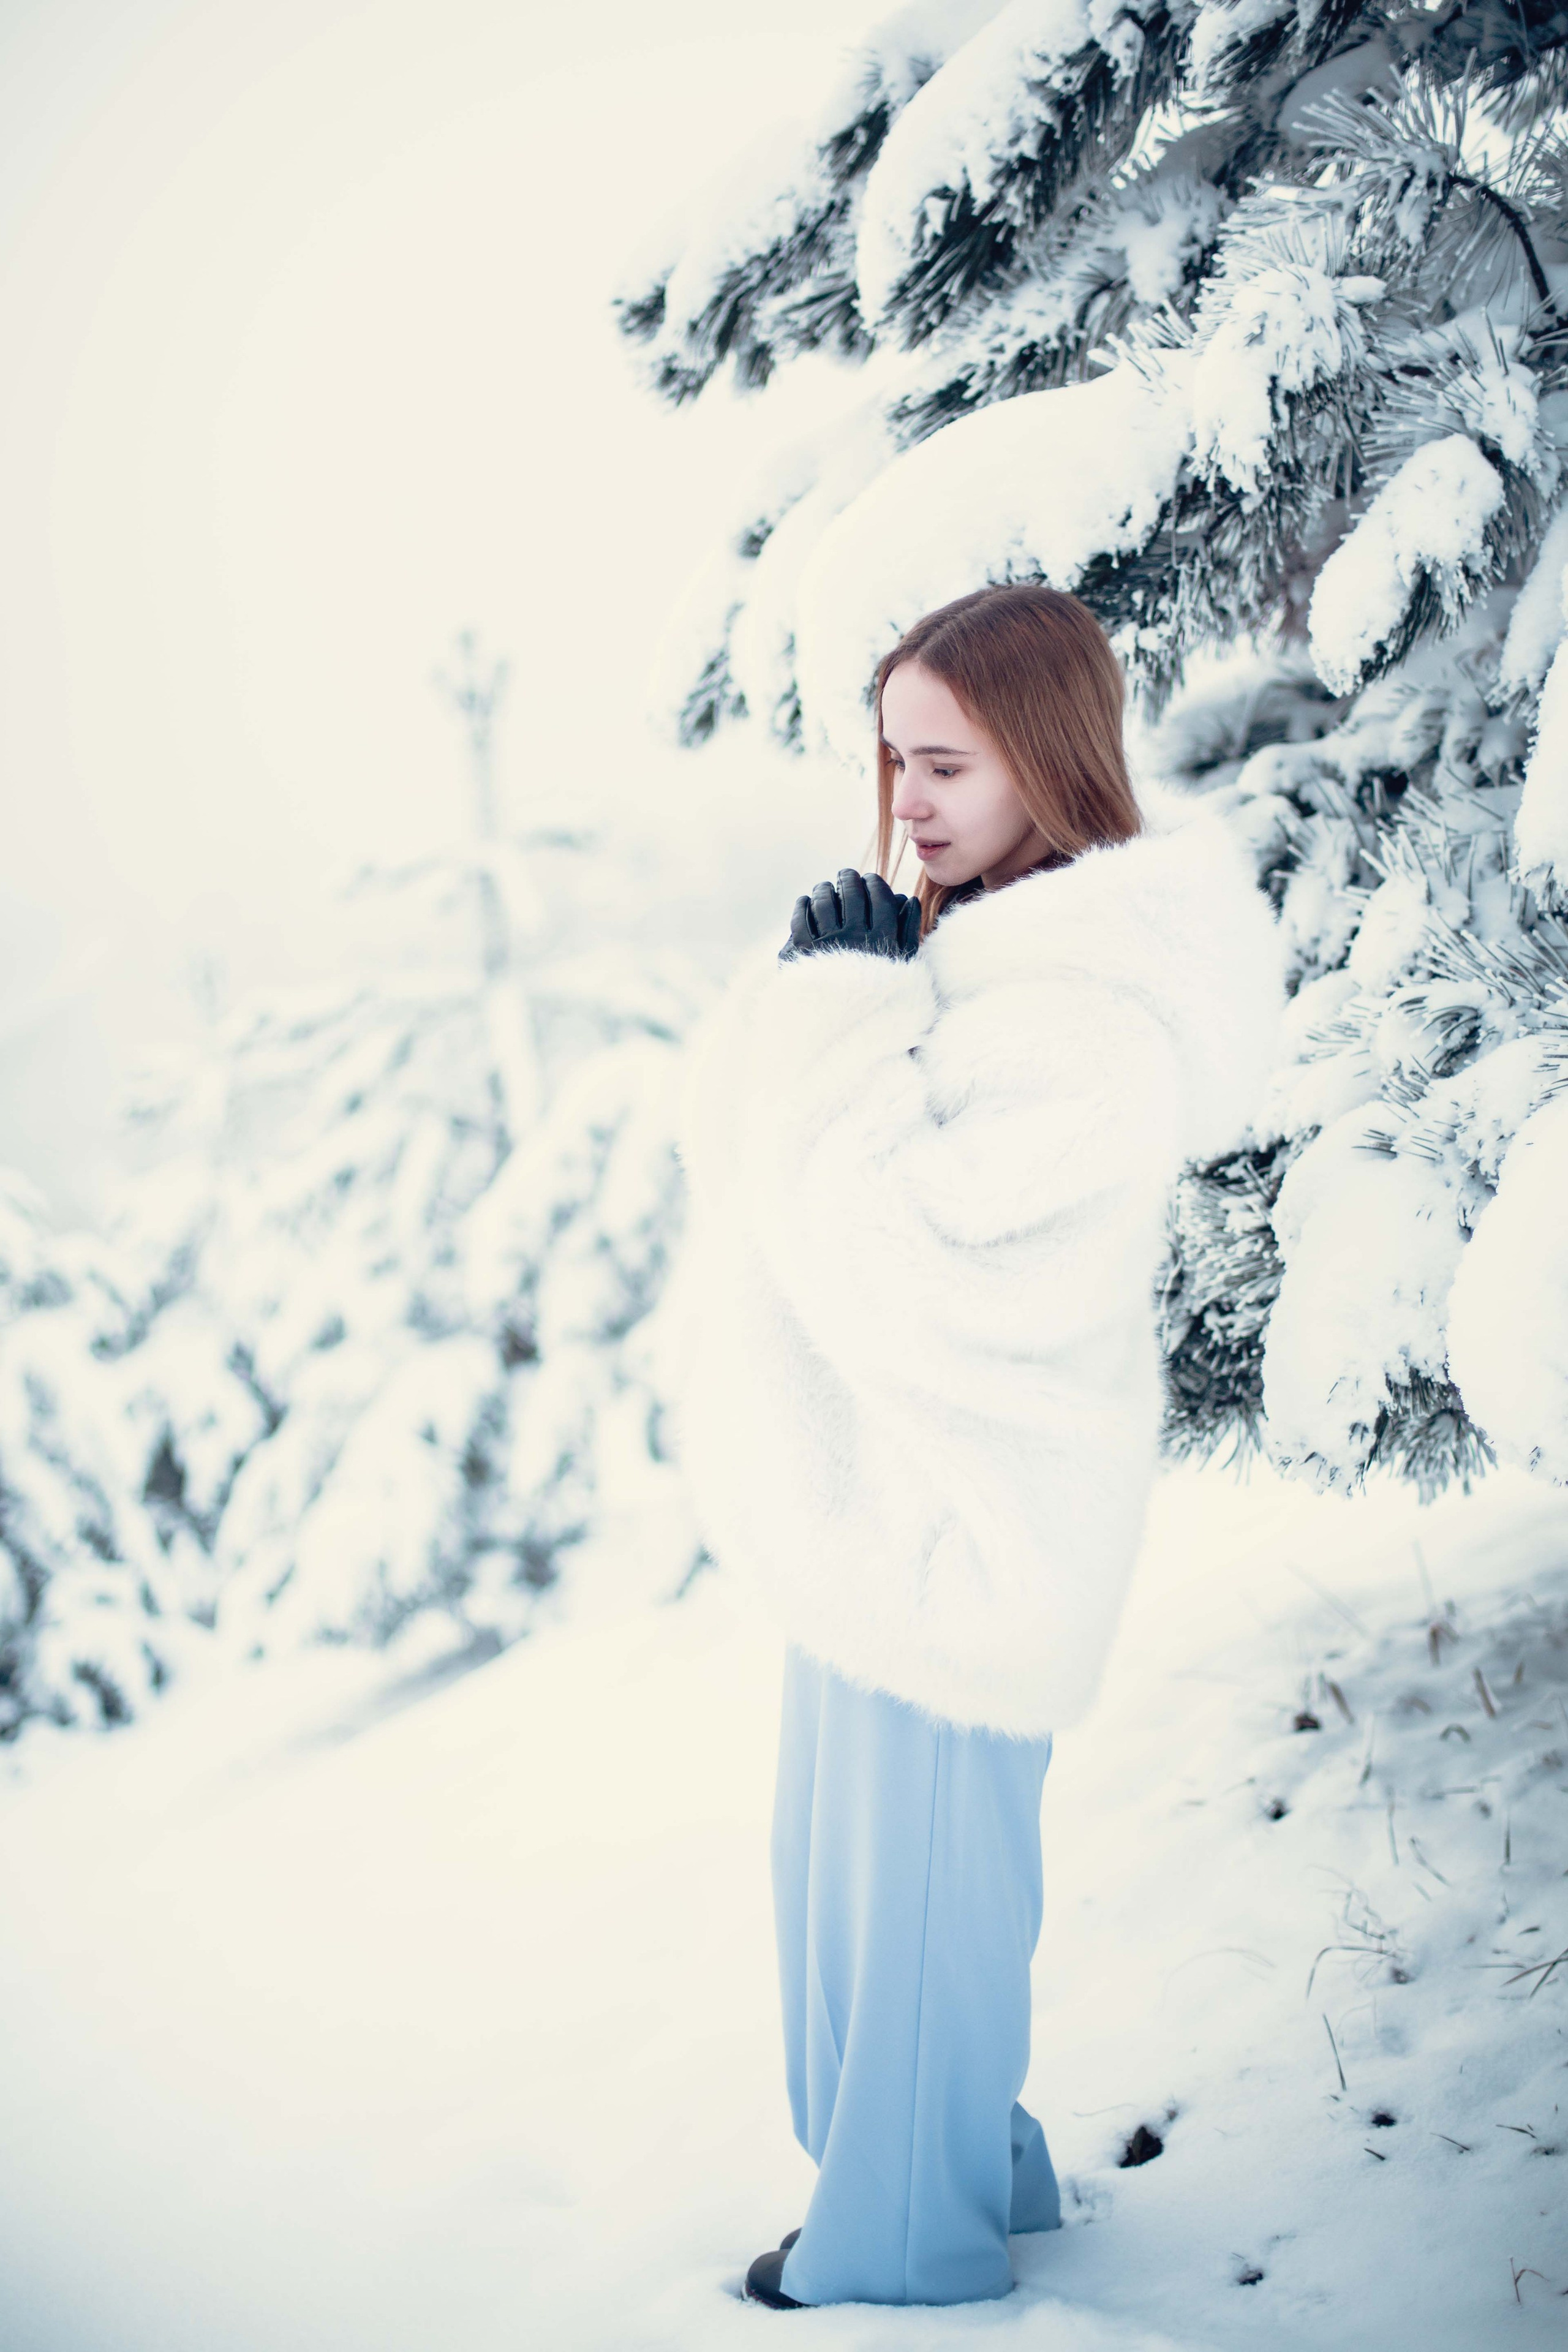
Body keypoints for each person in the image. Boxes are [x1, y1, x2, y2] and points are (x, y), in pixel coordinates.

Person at [665, 582, 1286, 2310]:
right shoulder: (964, 956)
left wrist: (840, 1020)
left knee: (922, 1912)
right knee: (850, 1916)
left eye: (946, 762)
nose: (910, 802)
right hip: (876, 1511)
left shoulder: (1086, 1016)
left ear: (1046, 754)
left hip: (968, 1530)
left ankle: (907, 2248)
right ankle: (969, 2175)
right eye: (894, 764)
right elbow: (763, 1186)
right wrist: (818, 998)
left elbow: (902, 1250)